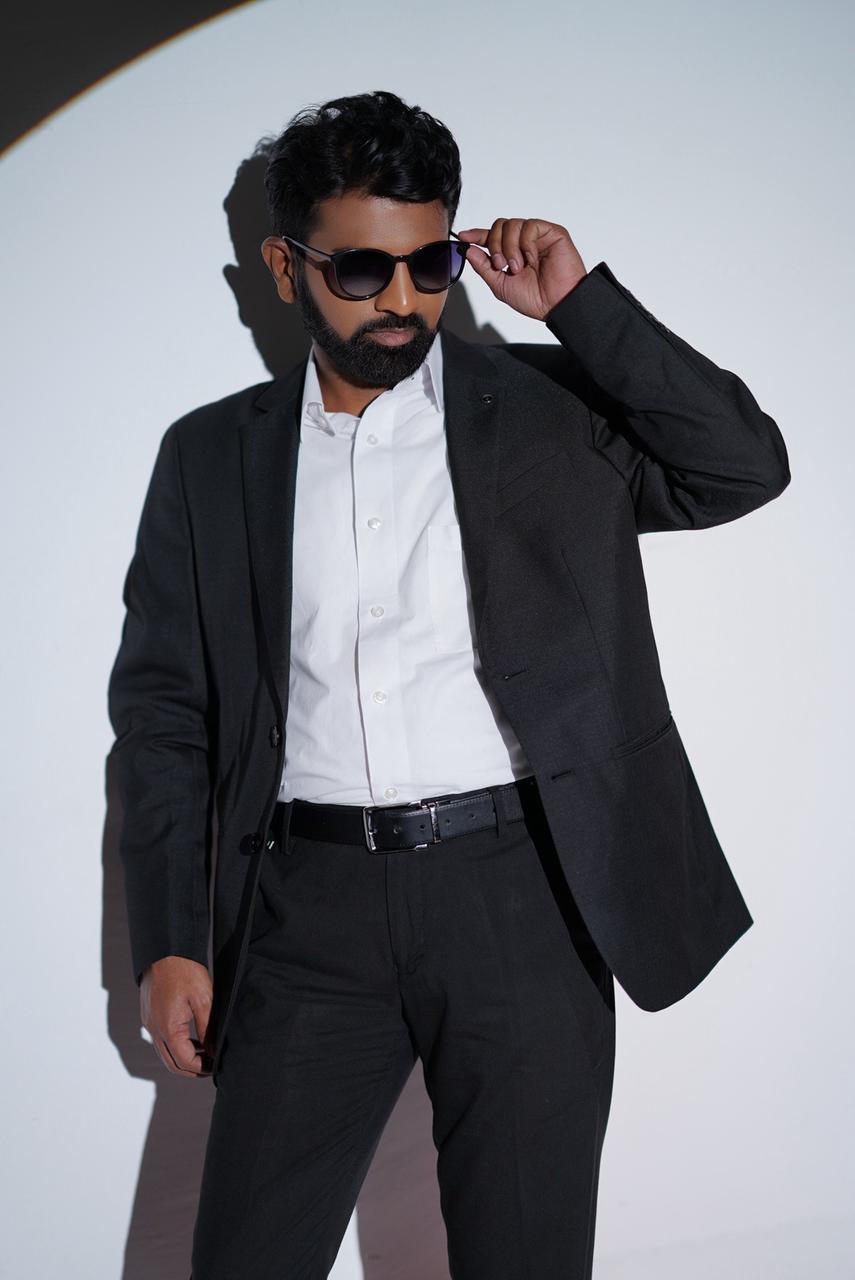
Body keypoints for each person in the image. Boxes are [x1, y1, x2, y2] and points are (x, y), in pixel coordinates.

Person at [107, 89, 790, 1279]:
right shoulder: (211, 457)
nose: (404, 300)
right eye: (361, 269)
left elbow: (741, 464)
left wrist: (579, 304)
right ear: (286, 265)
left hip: (524, 896)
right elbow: (166, 712)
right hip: (306, 912)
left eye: (429, 265)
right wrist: (170, 936)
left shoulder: (549, 411)